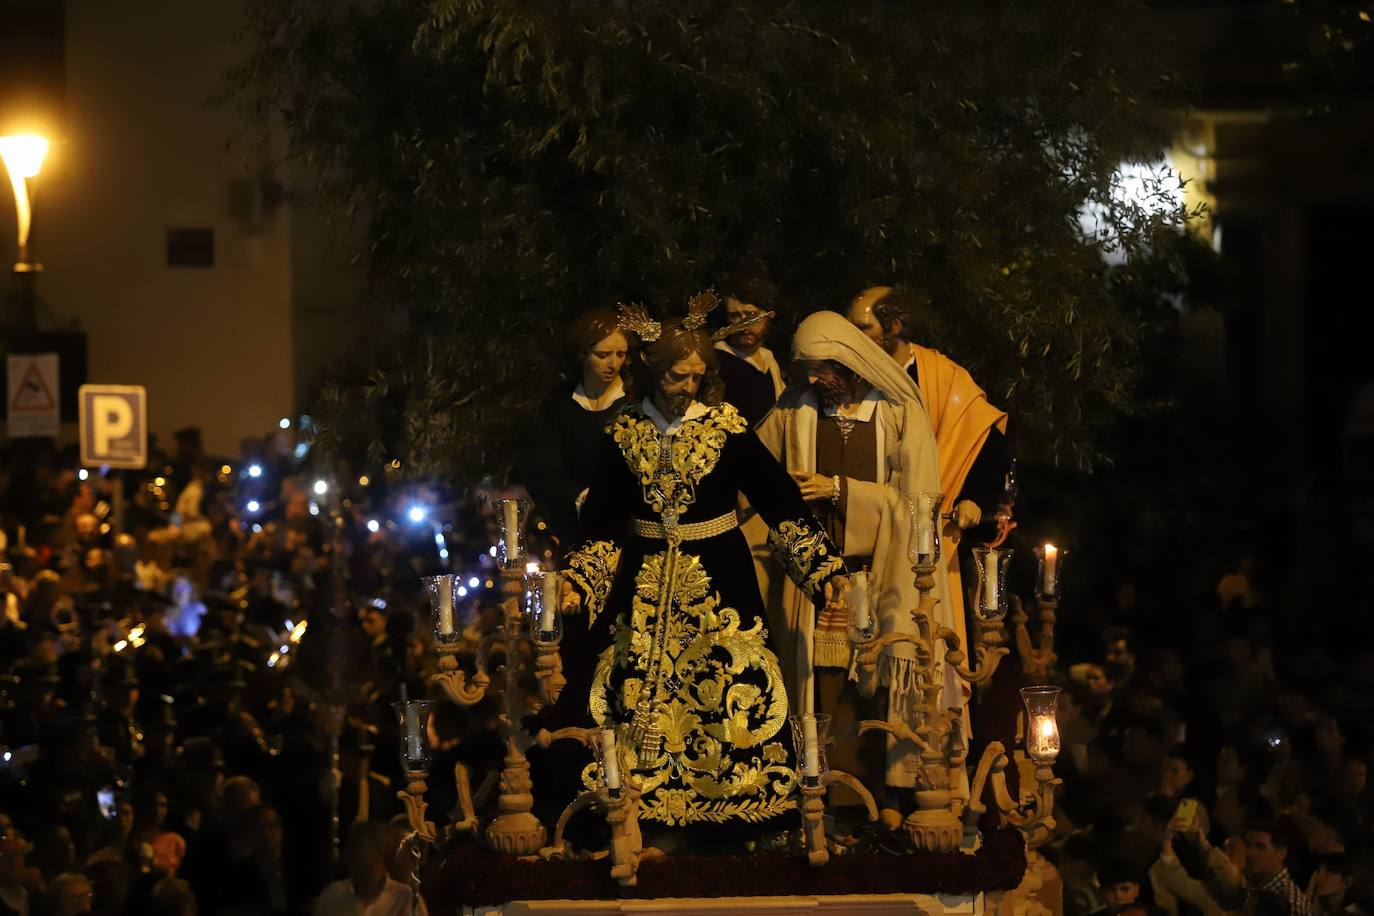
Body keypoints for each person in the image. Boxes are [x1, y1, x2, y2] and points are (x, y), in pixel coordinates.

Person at [563, 298, 847, 831]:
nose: (687, 388)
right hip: (644, 583)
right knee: (633, 691)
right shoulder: (626, 433)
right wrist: (581, 579)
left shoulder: (725, 428)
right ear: (652, 368)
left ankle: (737, 815)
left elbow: (777, 498)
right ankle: (635, 811)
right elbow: (602, 521)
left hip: (720, 580)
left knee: (725, 686)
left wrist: (821, 567)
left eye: (696, 377)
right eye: (676, 376)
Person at [756, 310, 955, 795]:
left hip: (879, 575)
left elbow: (914, 505)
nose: (813, 378)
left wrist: (840, 491)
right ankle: (826, 801)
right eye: (805, 367)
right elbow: (753, 475)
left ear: (849, 361)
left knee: (878, 687)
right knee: (819, 690)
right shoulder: (792, 411)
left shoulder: (897, 412)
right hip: (815, 583)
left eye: (822, 366)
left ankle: (885, 794)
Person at [847, 285, 1009, 624]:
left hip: (926, 529)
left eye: (863, 328)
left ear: (893, 327)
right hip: (866, 526)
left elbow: (985, 437)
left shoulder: (940, 375)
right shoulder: (848, 376)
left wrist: (973, 497)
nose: (853, 336)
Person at [522, 308, 635, 547]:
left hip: (629, 529)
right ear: (584, 352)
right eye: (603, 354)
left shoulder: (635, 401)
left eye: (620, 354)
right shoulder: (559, 405)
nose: (613, 364)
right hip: (576, 530)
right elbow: (544, 471)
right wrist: (581, 497)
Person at [713, 271, 785, 427]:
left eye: (751, 315)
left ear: (769, 314)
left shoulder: (769, 361)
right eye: (735, 316)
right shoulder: (718, 362)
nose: (743, 324)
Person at [312, 822, 427, 916]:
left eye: (361, 849)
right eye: (353, 848)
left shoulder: (405, 898)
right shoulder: (333, 894)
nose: (354, 856)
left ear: (380, 854)